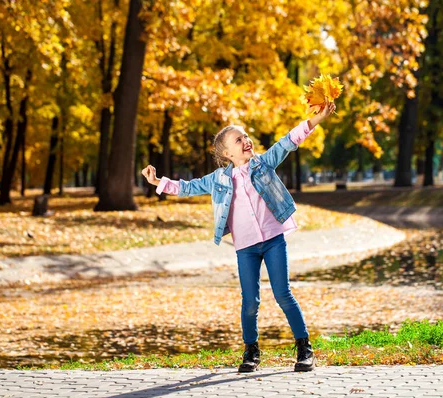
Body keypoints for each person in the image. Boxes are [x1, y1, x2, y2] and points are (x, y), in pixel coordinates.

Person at [142, 101, 336, 373]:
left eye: (246, 136)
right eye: (238, 139)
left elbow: (287, 142)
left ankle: (305, 348)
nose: (246, 140)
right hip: (245, 248)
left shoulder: (263, 163)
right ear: (226, 152)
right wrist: (157, 183)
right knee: (250, 302)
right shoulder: (218, 179)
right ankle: (251, 351)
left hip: (273, 240)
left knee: (283, 294)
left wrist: (315, 120)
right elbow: (187, 187)